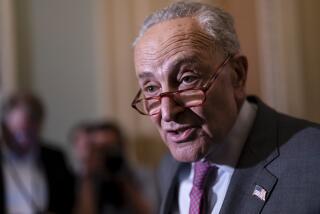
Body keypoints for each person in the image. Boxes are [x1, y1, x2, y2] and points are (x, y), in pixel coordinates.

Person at [131, 1, 320, 214]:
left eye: (187, 78)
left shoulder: (313, 159)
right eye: (150, 87)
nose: (167, 112)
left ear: (237, 75)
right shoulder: (168, 167)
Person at [0, 92, 75, 214]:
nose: (23, 139)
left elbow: (67, 201)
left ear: (40, 125)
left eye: (29, 132)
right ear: (5, 126)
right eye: (18, 132)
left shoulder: (55, 158)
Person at [71, 121, 152, 214]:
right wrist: (88, 174)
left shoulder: (141, 174)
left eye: (111, 148)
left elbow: (149, 211)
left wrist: (123, 177)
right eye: (101, 149)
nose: (106, 154)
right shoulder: (80, 178)